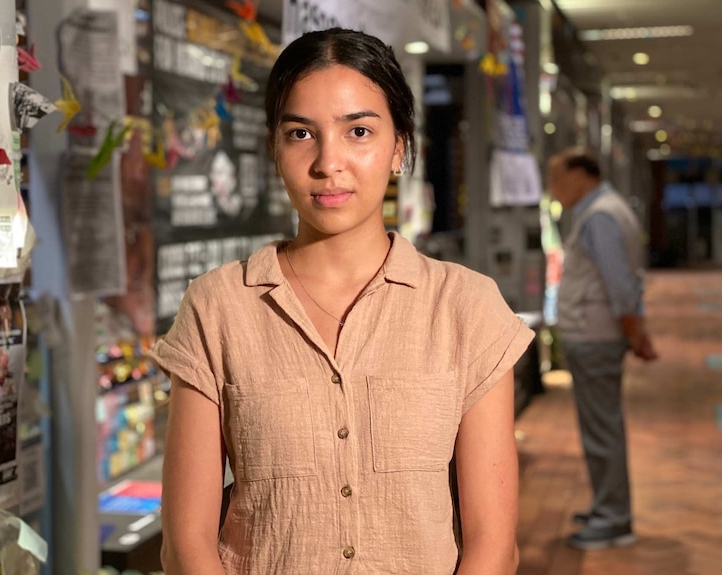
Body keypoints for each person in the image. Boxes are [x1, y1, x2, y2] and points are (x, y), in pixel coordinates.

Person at [152, 28, 533, 575]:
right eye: (302, 133)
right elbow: (186, 546)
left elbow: (492, 547)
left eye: (358, 130)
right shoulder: (217, 307)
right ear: (273, 148)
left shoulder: (466, 308)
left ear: (399, 146)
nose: (329, 162)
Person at [548, 147, 658, 551]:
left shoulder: (600, 217)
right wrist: (637, 331)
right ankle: (606, 507)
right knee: (601, 427)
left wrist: (635, 333)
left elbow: (620, 287)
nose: (553, 188)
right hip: (596, 334)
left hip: (595, 336)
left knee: (601, 430)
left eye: (557, 178)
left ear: (582, 175)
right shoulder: (606, 211)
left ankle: (613, 518)